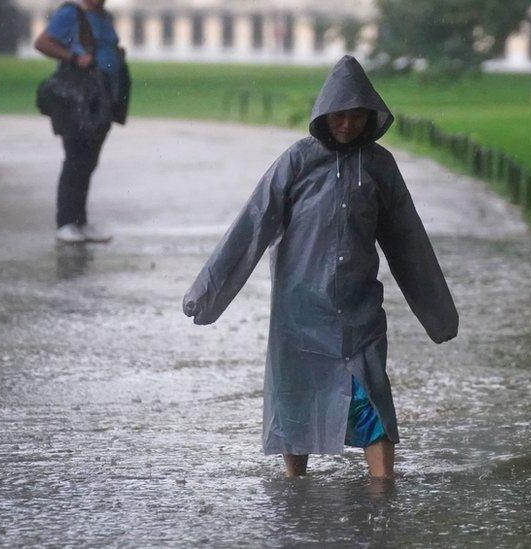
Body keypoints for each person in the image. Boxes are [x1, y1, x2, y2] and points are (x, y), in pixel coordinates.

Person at [183, 56, 459, 479]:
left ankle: (383, 496)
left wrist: (439, 316)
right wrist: (208, 294)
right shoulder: (297, 161)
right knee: (296, 401)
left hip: (359, 308)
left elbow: (408, 240)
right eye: (339, 117)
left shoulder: (380, 166)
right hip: (300, 311)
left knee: (372, 399)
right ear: (324, 116)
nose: (346, 126)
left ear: (370, 117)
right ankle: (296, 491)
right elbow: (253, 225)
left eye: (355, 117)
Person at [34, 0, 122, 244]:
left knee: (88, 161)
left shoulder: (104, 16)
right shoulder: (71, 13)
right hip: (78, 99)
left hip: (101, 99)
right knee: (76, 159)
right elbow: (42, 43)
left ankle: (79, 222)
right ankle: (65, 223)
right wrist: (74, 57)